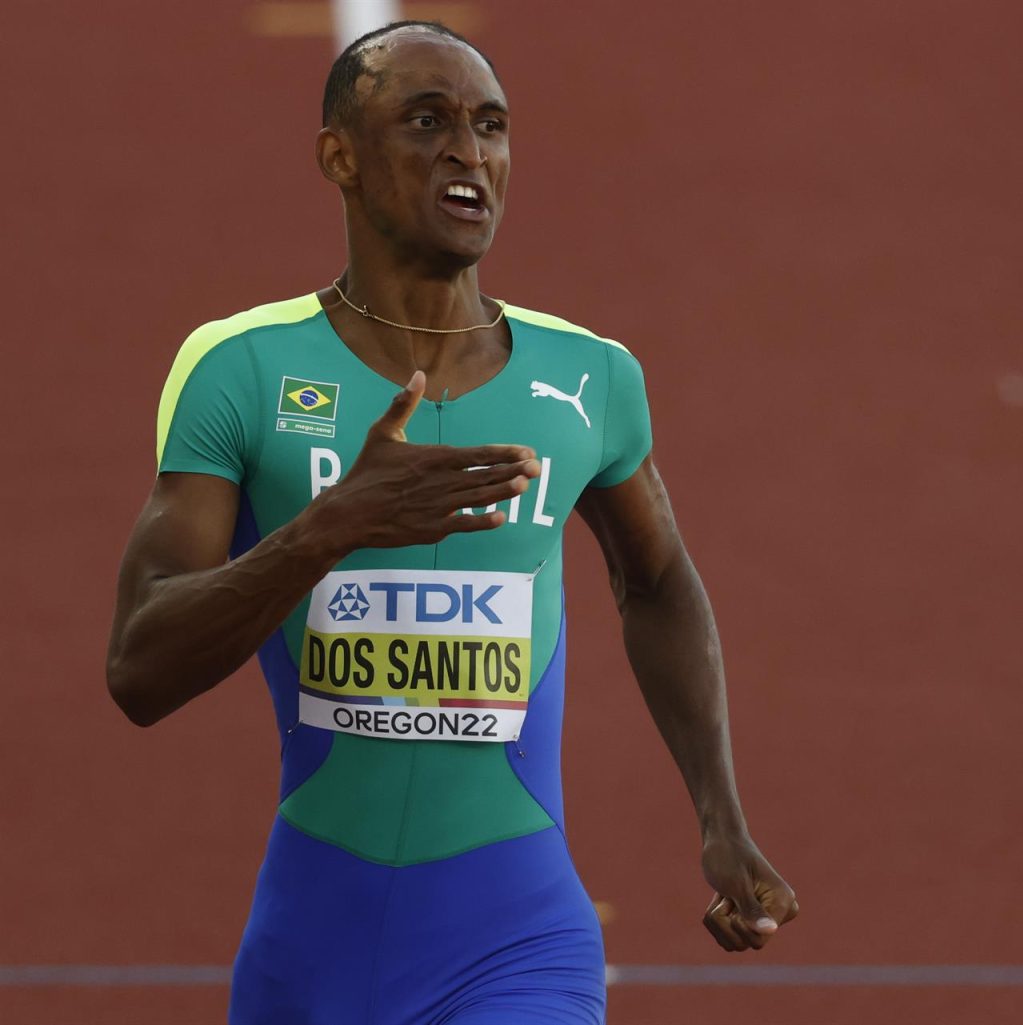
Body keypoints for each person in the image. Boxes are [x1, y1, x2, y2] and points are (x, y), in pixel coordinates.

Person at [107, 21, 795, 1024]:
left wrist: (719, 814)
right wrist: (324, 530)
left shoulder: (588, 376)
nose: (469, 152)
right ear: (338, 156)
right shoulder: (241, 370)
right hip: (309, 954)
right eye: (427, 122)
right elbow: (137, 666)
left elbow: (656, 579)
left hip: (516, 942)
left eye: (491, 126)